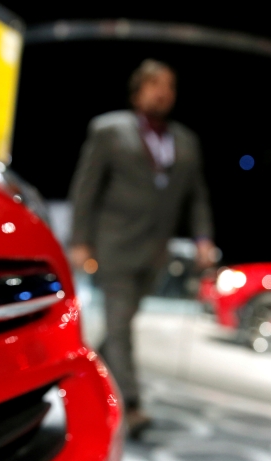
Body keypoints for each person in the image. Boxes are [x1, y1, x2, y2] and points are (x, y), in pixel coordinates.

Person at [68, 59, 215, 435]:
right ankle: (131, 405)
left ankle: (79, 378)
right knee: (120, 325)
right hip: (114, 245)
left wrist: (203, 238)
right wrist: (79, 240)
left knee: (121, 324)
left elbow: (196, 197)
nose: (162, 92)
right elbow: (85, 189)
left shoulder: (185, 141)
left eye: (168, 86)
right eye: (154, 84)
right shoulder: (109, 130)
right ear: (138, 91)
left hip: (155, 251)